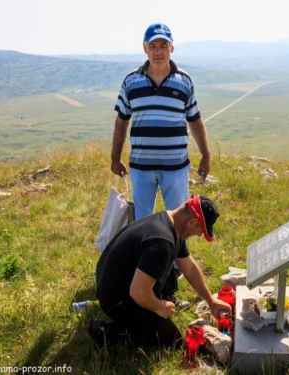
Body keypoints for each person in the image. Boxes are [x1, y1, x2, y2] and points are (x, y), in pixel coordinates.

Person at [90, 195, 231, 349]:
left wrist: (211, 300)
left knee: (164, 262)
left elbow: (189, 266)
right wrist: (159, 306)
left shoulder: (171, 222)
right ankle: (107, 331)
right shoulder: (162, 241)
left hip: (120, 281)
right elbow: (138, 292)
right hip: (116, 299)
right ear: (192, 222)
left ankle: (159, 299)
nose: (199, 235)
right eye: (200, 230)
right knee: (172, 342)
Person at [110, 23, 212, 220]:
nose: (158, 51)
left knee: (179, 222)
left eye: (163, 46)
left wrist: (206, 155)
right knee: (141, 222)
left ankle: (177, 252)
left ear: (171, 48)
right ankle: (146, 252)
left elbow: (195, 120)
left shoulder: (184, 81)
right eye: (153, 46)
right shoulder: (131, 81)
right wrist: (115, 157)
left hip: (176, 168)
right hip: (141, 168)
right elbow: (122, 121)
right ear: (144, 48)